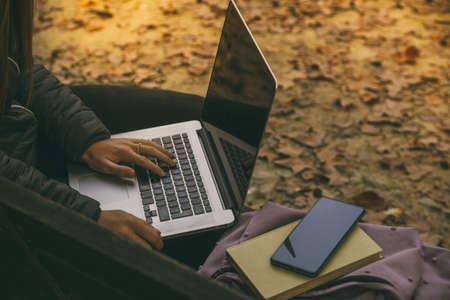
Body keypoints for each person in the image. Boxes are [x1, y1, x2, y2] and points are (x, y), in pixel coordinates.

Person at [0, 0, 208, 254]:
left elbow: (17, 67)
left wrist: (89, 140)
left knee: (195, 114)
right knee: (173, 244)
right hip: (16, 209)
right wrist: (86, 218)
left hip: (17, 135)